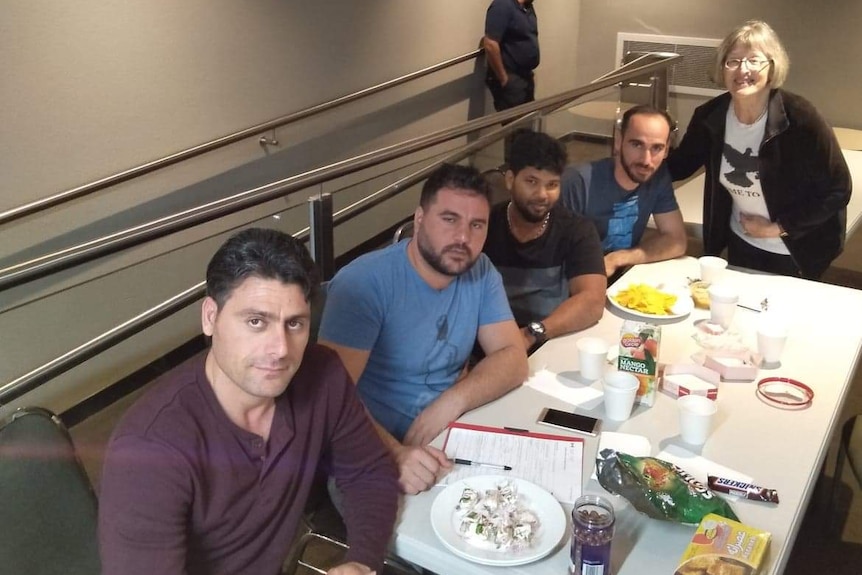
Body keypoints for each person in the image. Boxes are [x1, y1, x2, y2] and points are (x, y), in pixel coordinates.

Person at [98, 228, 398, 575]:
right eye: (256, 322)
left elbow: (368, 471)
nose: (280, 349)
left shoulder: (323, 375)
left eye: (295, 324)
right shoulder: (148, 452)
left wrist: (361, 561)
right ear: (210, 317)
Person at [318, 163, 528, 495]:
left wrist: (451, 401)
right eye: (449, 220)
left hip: (448, 432)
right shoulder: (364, 284)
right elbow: (328, 398)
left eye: (477, 225)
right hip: (367, 443)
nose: (463, 238)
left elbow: (514, 358)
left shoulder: (481, 271)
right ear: (419, 220)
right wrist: (396, 453)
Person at [667, 20, 851, 279]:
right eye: (733, 61)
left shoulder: (801, 117)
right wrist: (634, 163)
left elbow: (838, 189)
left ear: (771, 66)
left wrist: (777, 228)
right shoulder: (711, 117)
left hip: (796, 247)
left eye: (754, 60)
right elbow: (680, 165)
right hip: (741, 238)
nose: (743, 69)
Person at [483, 129, 606, 351]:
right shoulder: (484, 226)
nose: (542, 194)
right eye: (532, 181)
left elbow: (592, 302)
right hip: (487, 345)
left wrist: (531, 334)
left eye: (552, 185)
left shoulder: (577, 230)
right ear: (510, 180)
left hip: (548, 341)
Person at [561, 105, 688, 279]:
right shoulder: (577, 182)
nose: (646, 160)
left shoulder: (657, 177)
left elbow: (676, 240)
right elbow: (553, 259)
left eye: (657, 148)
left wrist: (616, 259)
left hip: (618, 281)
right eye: (637, 144)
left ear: (666, 150)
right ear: (619, 141)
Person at [483, 0, 540, 112]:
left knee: (527, 121)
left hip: (525, 77)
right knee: (516, 125)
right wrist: (504, 78)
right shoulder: (503, 5)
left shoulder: (527, 8)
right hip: (511, 76)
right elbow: (490, 44)